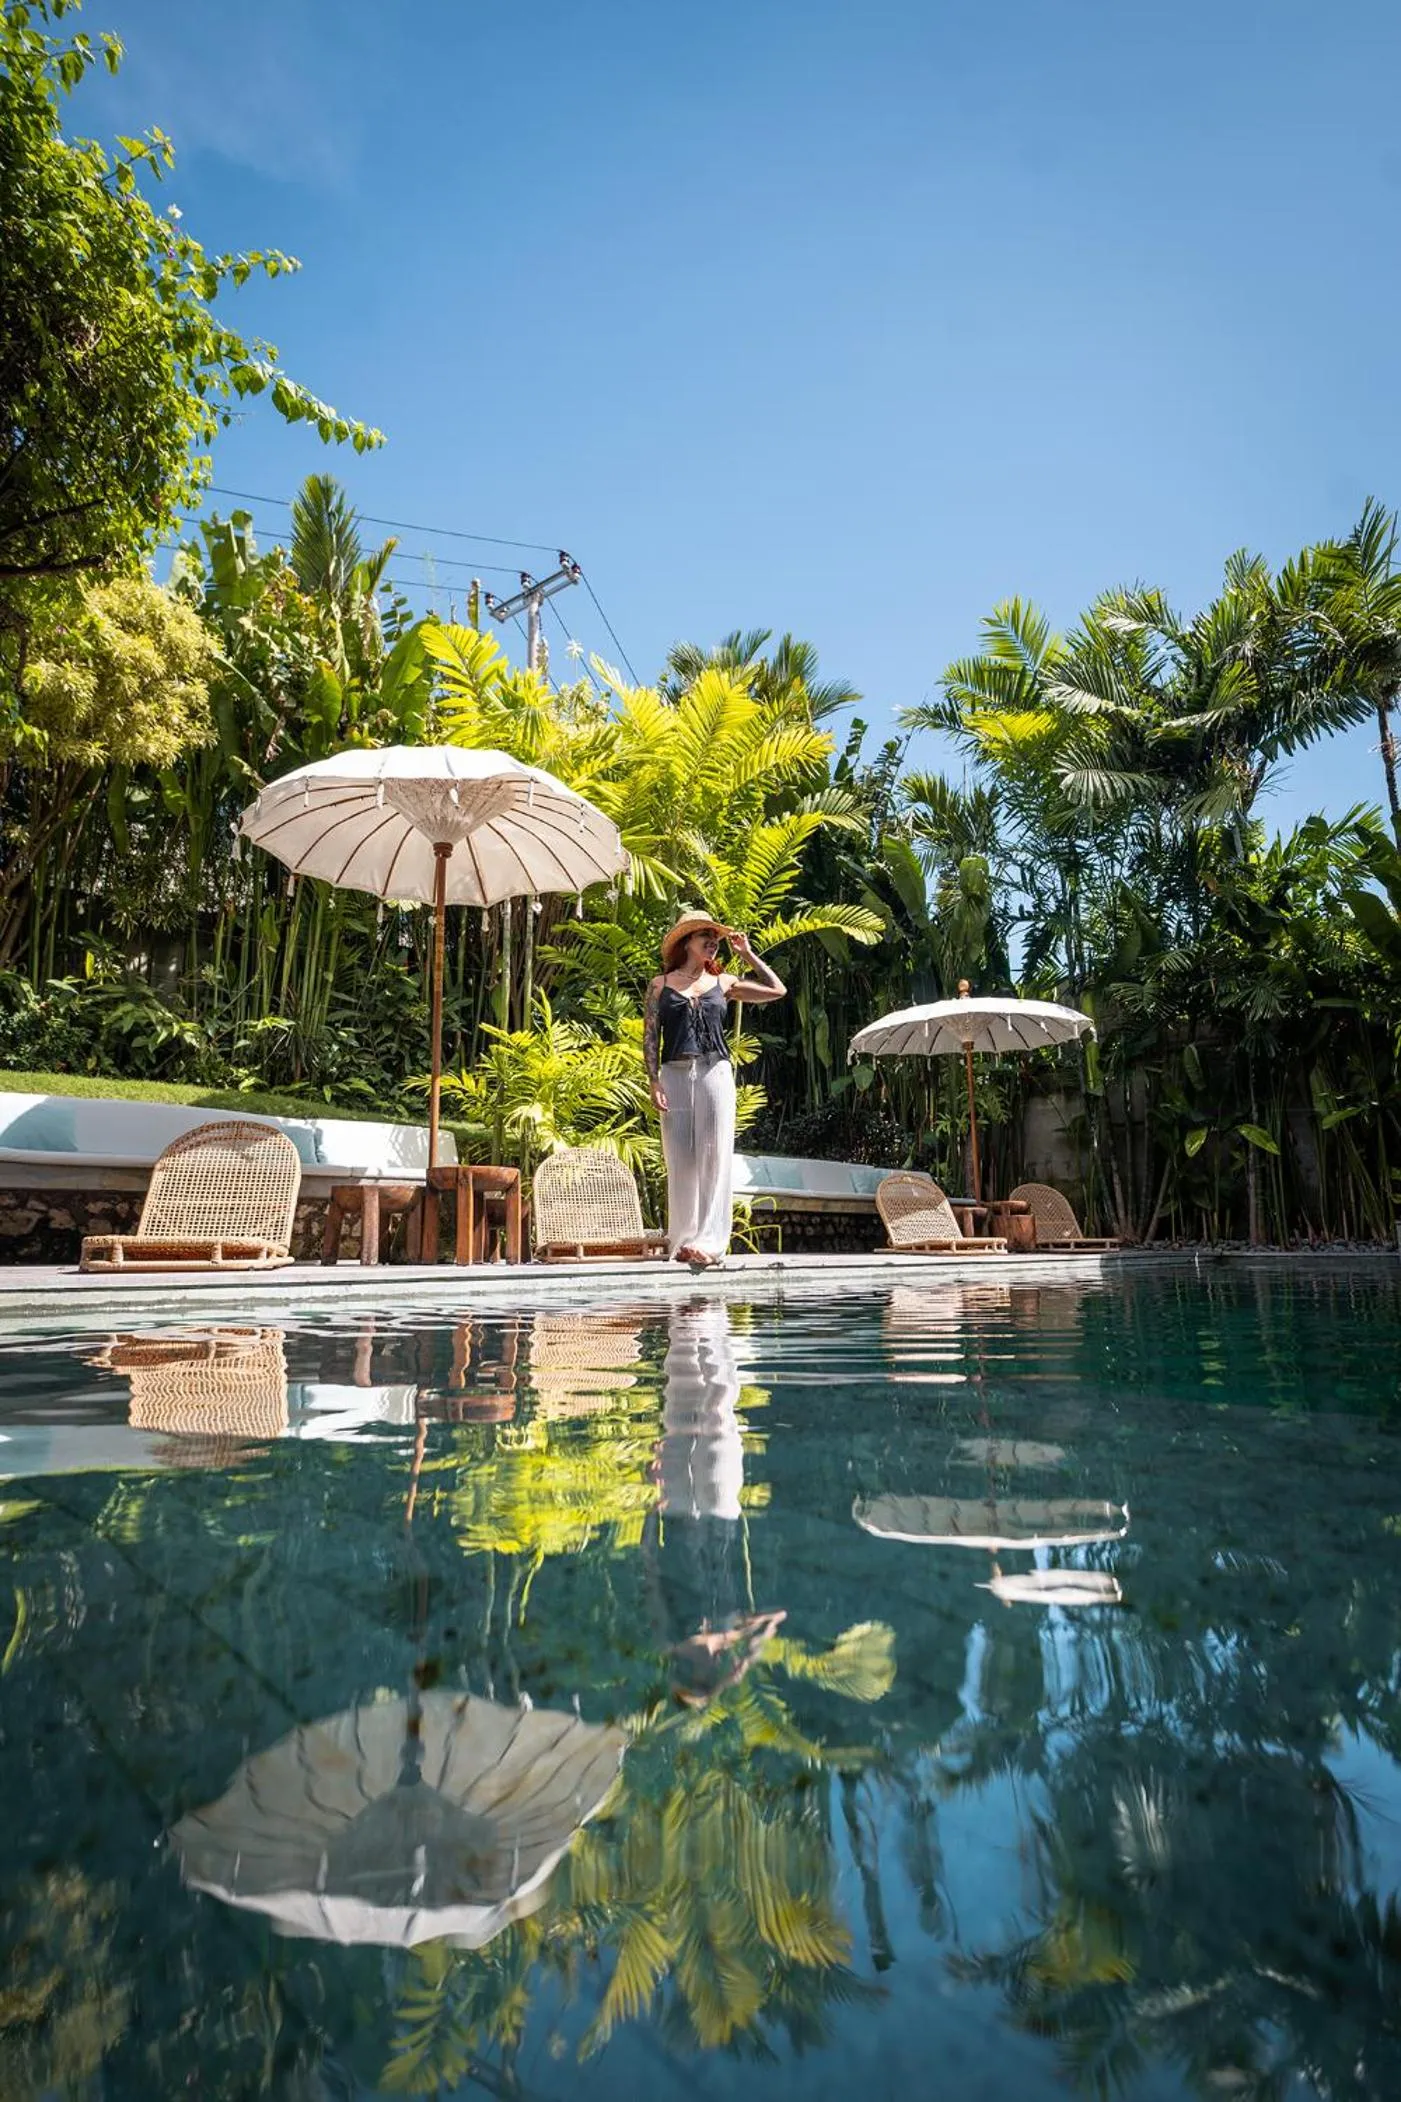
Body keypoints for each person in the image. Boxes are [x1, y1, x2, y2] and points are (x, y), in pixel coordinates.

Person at [643, 912, 786, 1268]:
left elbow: (776, 990)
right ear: (686, 942)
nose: (713, 941)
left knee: (713, 1156)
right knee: (680, 1158)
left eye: (715, 937)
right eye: (705, 935)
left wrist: (748, 955)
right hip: (674, 1073)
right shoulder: (660, 984)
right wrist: (653, 1080)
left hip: (714, 1073)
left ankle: (710, 1244)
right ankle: (683, 1241)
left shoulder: (723, 983)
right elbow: (650, 1036)